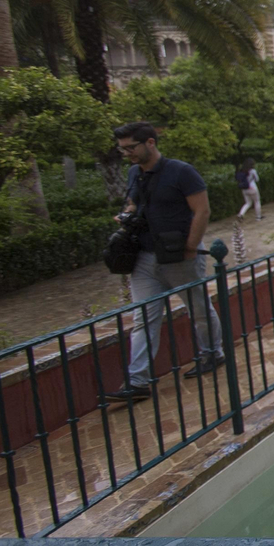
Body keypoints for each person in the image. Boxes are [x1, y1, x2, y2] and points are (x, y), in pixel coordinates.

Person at [105, 122, 224, 401]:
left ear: (149, 142)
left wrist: (191, 248)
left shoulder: (182, 172)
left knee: (198, 309)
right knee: (144, 318)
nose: (127, 154)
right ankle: (137, 382)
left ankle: (212, 354)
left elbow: (202, 210)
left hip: (179, 256)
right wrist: (128, 214)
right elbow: (134, 203)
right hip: (144, 258)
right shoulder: (135, 173)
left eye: (131, 148)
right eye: (122, 149)